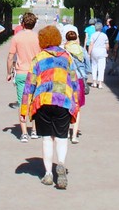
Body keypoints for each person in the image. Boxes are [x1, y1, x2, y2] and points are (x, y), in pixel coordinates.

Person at [21, 24, 81, 188]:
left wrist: (23, 109)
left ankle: (48, 174)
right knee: (62, 137)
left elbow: (29, 85)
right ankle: (60, 163)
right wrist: (75, 104)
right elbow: (74, 82)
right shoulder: (67, 57)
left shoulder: (38, 58)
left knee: (47, 138)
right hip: (63, 101)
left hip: (43, 101)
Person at [6, 11, 41, 140]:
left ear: (23, 23)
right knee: (34, 102)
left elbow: (10, 57)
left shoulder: (17, 37)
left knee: (22, 103)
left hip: (21, 73)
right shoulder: (38, 37)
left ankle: (24, 133)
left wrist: (9, 73)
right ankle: (35, 131)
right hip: (35, 73)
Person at [63, 28, 88, 143]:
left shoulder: (63, 51)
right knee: (77, 107)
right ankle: (74, 135)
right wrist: (85, 74)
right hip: (79, 79)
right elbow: (88, 64)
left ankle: (66, 130)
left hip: (66, 79)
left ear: (66, 39)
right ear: (76, 38)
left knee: (67, 105)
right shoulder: (81, 50)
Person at [86, 20, 110, 88]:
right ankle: (100, 83)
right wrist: (107, 51)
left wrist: (89, 53)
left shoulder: (93, 35)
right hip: (102, 52)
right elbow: (107, 45)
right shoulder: (104, 35)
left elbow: (91, 44)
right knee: (101, 68)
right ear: (101, 28)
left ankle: (94, 82)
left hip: (94, 51)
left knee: (94, 66)